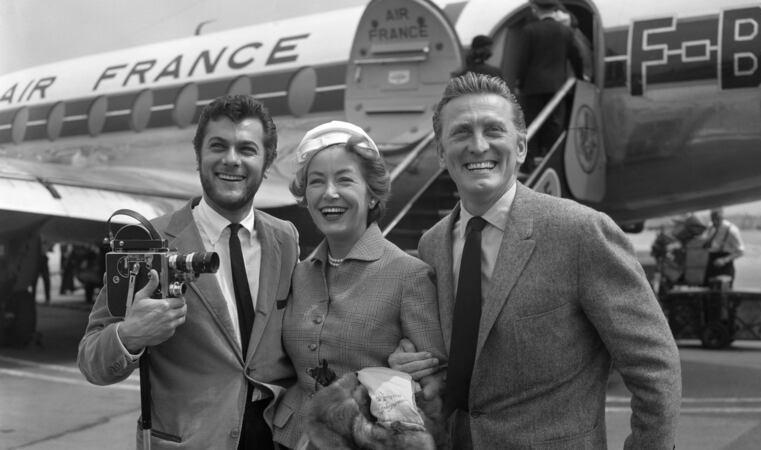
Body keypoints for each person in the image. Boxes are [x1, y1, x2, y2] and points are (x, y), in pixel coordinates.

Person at [389, 73, 681, 449]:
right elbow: (463, 362)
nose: (478, 145)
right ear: (442, 154)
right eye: (461, 133)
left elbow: (654, 365)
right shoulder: (432, 244)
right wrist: (409, 363)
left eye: (493, 130)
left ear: (522, 146)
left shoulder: (580, 233)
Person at [78, 95, 298, 449]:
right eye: (218, 146)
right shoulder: (147, 241)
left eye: (247, 149)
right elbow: (92, 361)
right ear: (198, 158)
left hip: (274, 438)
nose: (231, 159)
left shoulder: (285, 238)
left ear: (267, 162)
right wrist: (130, 335)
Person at [272, 121, 446, 449]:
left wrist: (397, 381)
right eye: (316, 182)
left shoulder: (410, 276)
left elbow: (437, 393)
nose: (329, 193)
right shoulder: (299, 274)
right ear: (305, 196)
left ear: (371, 194)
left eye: (345, 180)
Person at [516, 0, 583, 170]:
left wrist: (520, 83)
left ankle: (528, 162)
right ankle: (554, 161)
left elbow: (523, 61)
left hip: (532, 87)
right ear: (554, 9)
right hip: (557, 88)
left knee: (530, 124)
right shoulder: (565, 31)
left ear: (535, 9)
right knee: (554, 124)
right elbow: (576, 57)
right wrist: (581, 77)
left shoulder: (529, 30)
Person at [704, 207, 745, 285]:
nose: (714, 222)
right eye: (712, 218)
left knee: (723, 293)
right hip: (710, 265)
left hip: (725, 267)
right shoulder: (710, 227)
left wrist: (725, 260)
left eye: (717, 219)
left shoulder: (731, 230)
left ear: (722, 217)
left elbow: (741, 251)